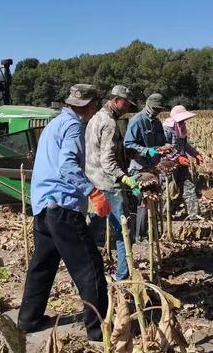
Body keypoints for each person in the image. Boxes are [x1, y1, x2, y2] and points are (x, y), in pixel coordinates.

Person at [18, 84, 111, 341]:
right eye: (94, 106)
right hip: (63, 208)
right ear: (89, 106)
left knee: (43, 266)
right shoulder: (74, 127)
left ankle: (28, 319)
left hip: (43, 207)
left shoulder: (54, 124)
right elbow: (67, 166)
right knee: (89, 267)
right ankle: (98, 330)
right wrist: (93, 192)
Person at [85, 85, 140, 281]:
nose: (127, 107)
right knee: (123, 230)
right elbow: (108, 160)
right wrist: (124, 178)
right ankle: (123, 276)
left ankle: (86, 270)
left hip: (92, 182)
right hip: (108, 184)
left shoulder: (94, 118)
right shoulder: (109, 123)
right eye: (125, 103)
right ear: (116, 100)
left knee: (94, 229)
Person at [123, 93, 167, 240]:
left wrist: (165, 148)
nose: (156, 111)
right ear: (148, 105)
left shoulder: (158, 123)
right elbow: (128, 143)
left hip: (153, 167)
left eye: (159, 109)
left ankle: (152, 232)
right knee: (143, 202)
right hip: (139, 167)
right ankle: (140, 236)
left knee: (154, 200)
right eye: (155, 108)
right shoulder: (137, 120)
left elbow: (161, 143)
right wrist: (146, 150)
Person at [163, 105, 202, 218]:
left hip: (182, 163)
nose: (184, 121)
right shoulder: (167, 129)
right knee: (169, 189)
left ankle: (194, 214)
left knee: (189, 186)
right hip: (168, 165)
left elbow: (185, 144)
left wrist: (195, 154)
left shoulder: (181, 127)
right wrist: (177, 158)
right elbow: (163, 149)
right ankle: (165, 214)